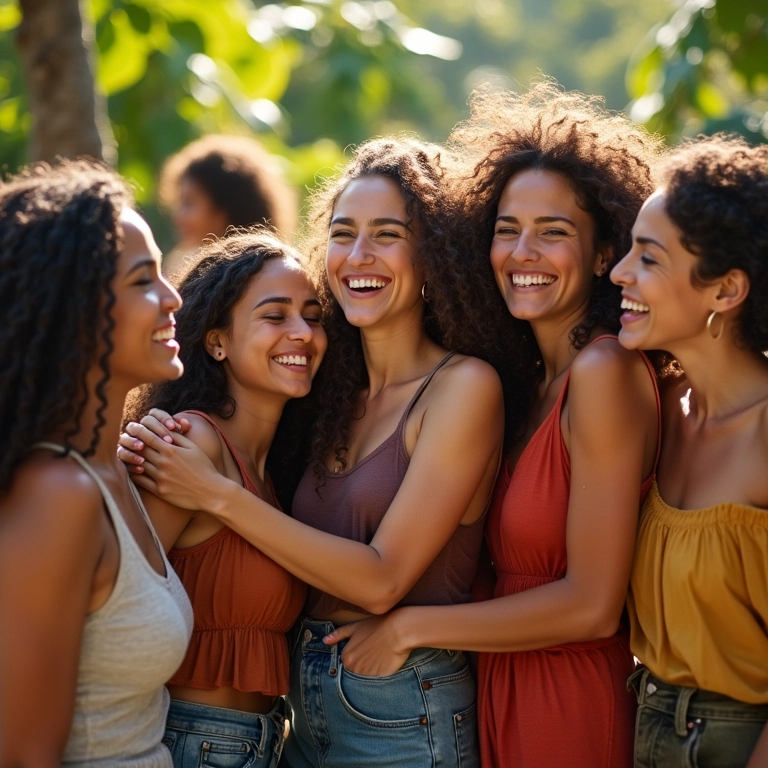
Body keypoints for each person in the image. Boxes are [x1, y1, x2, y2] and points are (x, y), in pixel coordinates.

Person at [118, 137, 508, 768]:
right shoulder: (327, 396)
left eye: (387, 234)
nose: (359, 255)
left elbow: (382, 580)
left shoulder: (463, 386)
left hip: (400, 703)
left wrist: (219, 495)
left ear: (432, 251)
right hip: (296, 712)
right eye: (343, 232)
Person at [325, 82, 663, 768]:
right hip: (494, 687)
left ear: (604, 255)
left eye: (553, 232)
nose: (522, 252)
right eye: (507, 230)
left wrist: (409, 627)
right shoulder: (525, 381)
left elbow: (592, 605)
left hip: (567, 697)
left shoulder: (603, 374)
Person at [0, 160, 192, 768]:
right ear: (71, 309)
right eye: (142, 281)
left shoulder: (111, 468)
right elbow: (24, 752)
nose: (172, 297)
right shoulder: (57, 491)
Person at [125, 231, 326, 768]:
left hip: (263, 741)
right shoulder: (191, 443)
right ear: (217, 342)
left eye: (312, 315)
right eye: (275, 316)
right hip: (191, 741)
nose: (302, 333)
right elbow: (114, 600)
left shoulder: (274, 470)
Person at [610, 136, 768, 768]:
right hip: (645, 724)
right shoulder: (663, 409)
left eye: (648, 259)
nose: (620, 272)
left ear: (726, 290)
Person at [158, 134, 298, 275]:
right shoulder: (181, 265)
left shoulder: (266, 273)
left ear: (223, 210)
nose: (178, 215)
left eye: (189, 204)